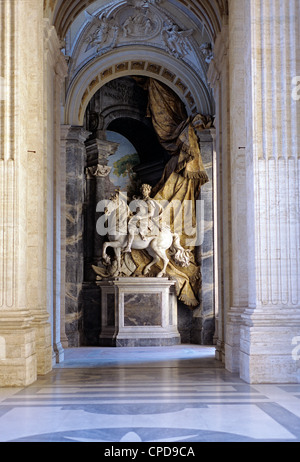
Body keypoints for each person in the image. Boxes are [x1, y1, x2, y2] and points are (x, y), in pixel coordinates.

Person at [124, 184, 163, 252]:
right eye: (142, 189)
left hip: (145, 220)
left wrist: (141, 217)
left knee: (132, 227)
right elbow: (130, 200)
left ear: (149, 191)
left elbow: (151, 213)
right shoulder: (139, 199)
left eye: (145, 189)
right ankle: (127, 245)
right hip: (137, 217)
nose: (143, 191)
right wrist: (121, 195)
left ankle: (129, 246)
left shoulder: (149, 201)